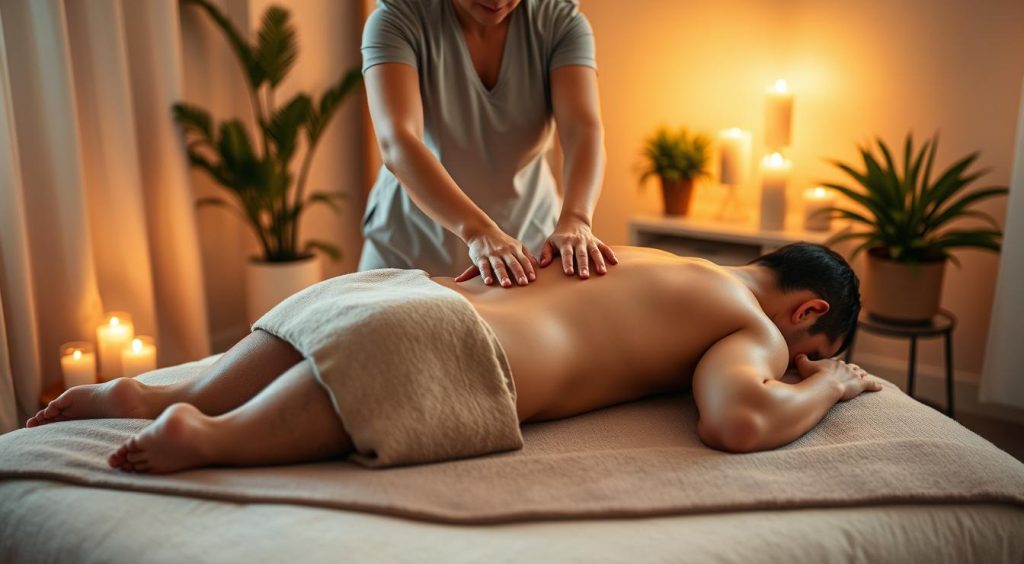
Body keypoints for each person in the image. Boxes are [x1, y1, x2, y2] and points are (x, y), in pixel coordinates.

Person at [27, 243, 881, 473]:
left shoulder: (650, 252)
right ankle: (211, 437)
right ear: (807, 312)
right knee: (240, 426)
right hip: (450, 348)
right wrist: (828, 389)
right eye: (812, 349)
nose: (795, 364)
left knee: (285, 361)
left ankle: (152, 394)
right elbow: (738, 418)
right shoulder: (754, 324)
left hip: (382, 290)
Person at [360, 0, 618, 286]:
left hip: (525, 252)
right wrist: (478, 232)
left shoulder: (560, 21)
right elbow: (398, 141)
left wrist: (576, 218)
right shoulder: (397, 16)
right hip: (407, 253)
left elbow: (583, 130)